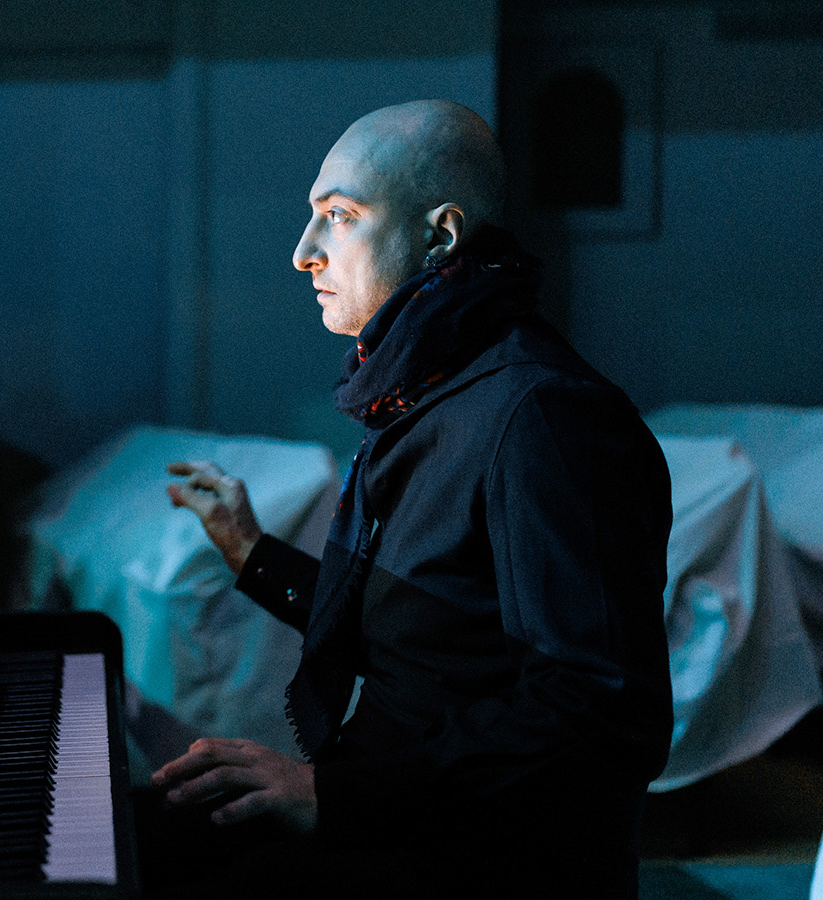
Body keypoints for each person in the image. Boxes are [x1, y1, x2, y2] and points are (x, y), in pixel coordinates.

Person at [148, 99, 673, 898]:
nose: (304, 253)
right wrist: (250, 552)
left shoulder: (543, 416)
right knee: (144, 834)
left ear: (441, 235)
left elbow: (599, 717)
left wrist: (332, 794)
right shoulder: (426, 391)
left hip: (464, 857)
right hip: (396, 817)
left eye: (340, 216)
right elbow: (420, 636)